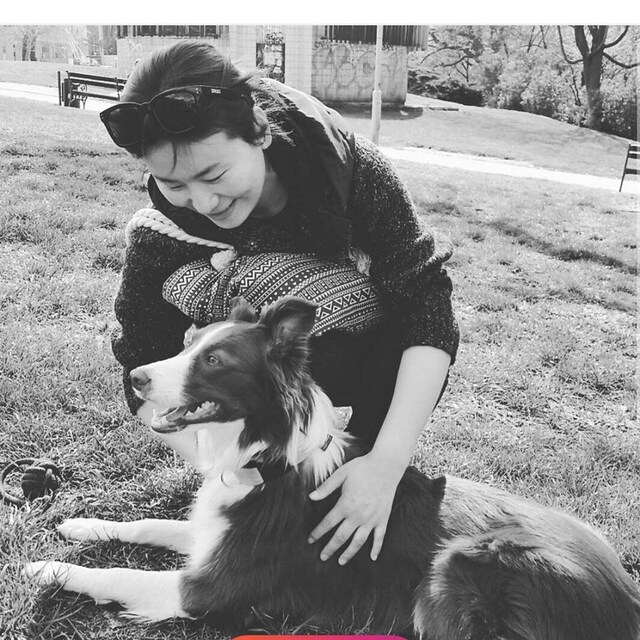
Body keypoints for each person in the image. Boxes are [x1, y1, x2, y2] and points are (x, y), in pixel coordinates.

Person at [104, 40, 459, 567]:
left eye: (214, 175)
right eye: (173, 183)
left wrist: (384, 466)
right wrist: (215, 463)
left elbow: (428, 312)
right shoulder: (160, 232)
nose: (202, 202)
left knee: (375, 310)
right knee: (194, 289)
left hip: (352, 348)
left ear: (260, 132)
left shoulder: (351, 172)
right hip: (237, 367)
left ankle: (354, 459)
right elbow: (140, 356)